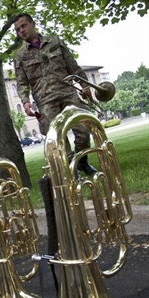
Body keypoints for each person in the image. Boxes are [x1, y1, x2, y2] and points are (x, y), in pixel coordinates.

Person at [13, 13, 97, 176]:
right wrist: (25, 101)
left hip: (68, 93)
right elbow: (22, 83)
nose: (21, 31)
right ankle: (73, 172)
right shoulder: (19, 56)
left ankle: (82, 162)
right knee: (58, 139)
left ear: (33, 23)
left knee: (84, 129)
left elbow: (73, 66)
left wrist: (85, 85)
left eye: (24, 26)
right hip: (45, 101)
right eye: (18, 29)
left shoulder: (55, 41)